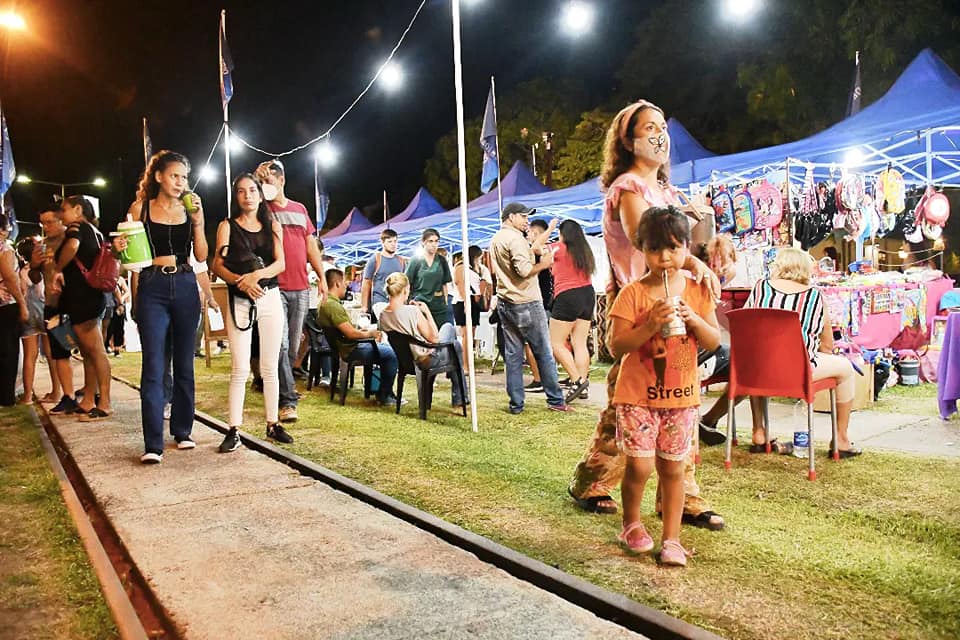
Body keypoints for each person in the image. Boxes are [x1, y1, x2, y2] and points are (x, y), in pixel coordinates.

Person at [567, 100, 724, 532]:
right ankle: (595, 480)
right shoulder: (630, 187)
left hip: (675, 303)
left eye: (662, 126)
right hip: (639, 304)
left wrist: (707, 246)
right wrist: (695, 264)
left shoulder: (667, 192)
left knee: (678, 394)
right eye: (649, 127)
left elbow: (684, 242)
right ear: (628, 139)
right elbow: (648, 242)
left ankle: (680, 495)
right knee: (631, 399)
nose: (660, 135)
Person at [608, 206, 719, 566]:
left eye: (674, 248)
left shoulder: (698, 291)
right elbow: (616, 346)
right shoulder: (632, 293)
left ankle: (672, 539)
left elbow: (715, 340)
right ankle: (632, 524)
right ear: (642, 250)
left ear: (686, 248)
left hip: (682, 396)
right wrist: (650, 325)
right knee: (639, 467)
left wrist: (694, 321)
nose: (665, 257)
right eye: (656, 249)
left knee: (673, 468)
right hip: (637, 395)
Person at [113, 152, 207, 462]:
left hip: (183, 283)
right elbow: (130, 261)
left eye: (184, 176)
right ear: (158, 177)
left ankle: (182, 431)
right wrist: (119, 249)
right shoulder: (140, 209)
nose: (180, 182)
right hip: (152, 284)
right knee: (153, 366)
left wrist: (199, 223)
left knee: (184, 364)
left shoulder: (190, 208)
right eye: (174, 176)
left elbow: (202, 256)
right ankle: (152, 443)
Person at [744, 247, 861, 456]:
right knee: (846, 369)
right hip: (798, 372)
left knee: (760, 356)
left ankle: (759, 431)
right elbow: (827, 347)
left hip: (758, 372)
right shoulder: (815, 297)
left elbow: (747, 327)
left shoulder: (760, 288)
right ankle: (841, 439)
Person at [212, 173, 289, 454]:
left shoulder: (272, 224)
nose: (248, 196)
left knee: (270, 365)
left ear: (260, 193)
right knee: (240, 367)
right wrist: (239, 281)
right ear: (236, 196)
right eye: (242, 191)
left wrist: (255, 276)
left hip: (268, 295)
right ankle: (233, 428)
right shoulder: (227, 226)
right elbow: (217, 264)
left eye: (252, 190)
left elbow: (280, 263)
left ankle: (273, 422)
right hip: (240, 298)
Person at [255, 159, 327, 425]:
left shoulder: (299, 209)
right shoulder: (261, 211)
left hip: (300, 287)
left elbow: (310, 246)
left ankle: (274, 383)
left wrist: (321, 276)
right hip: (275, 288)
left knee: (292, 346)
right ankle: (287, 401)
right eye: (261, 182)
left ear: (282, 180)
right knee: (281, 343)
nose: (266, 186)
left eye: (269, 181)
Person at [489, 202, 570, 414]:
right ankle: (555, 400)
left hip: (506, 301)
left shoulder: (496, 238)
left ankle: (516, 404)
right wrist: (545, 263)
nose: (527, 221)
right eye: (523, 217)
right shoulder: (514, 239)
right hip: (526, 301)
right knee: (543, 352)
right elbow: (524, 270)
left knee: (513, 356)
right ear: (510, 217)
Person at [55, 196, 113, 421]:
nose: (62, 214)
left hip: (84, 297)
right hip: (92, 296)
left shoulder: (77, 228)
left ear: (78, 210)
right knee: (88, 351)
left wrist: (59, 268)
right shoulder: (95, 231)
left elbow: (73, 245)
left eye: (64, 209)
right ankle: (89, 398)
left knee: (95, 350)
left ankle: (104, 402)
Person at [378, 272, 465, 407]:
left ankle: (458, 394)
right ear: (406, 290)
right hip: (425, 360)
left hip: (406, 361)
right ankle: (460, 396)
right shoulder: (412, 311)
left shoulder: (383, 315)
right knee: (450, 331)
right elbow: (435, 339)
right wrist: (426, 311)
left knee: (456, 345)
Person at [317, 267, 400, 406]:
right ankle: (385, 395)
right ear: (337, 284)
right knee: (391, 354)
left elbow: (346, 330)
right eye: (344, 282)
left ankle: (379, 391)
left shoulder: (324, 303)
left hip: (342, 347)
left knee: (384, 348)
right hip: (351, 349)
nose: (346, 285)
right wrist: (370, 333)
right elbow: (351, 334)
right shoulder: (333, 306)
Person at [547, 220, 596, 404]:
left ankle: (576, 381)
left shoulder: (558, 248)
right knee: (579, 343)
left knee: (556, 343)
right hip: (587, 294)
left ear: (563, 234)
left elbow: (536, 248)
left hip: (567, 295)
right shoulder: (584, 251)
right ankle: (583, 383)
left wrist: (550, 228)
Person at [39, 206, 75, 412]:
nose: (46, 227)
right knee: (59, 353)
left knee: (89, 351)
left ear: (61, 220)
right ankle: (67, 395)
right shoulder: (43, 246)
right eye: (43, 223)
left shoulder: (72, 240)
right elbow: (36, 275)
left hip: (74, 304)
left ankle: (92, 393)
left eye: (50, 222)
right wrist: (35, 262)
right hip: (52, 305)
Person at [0, 216, 28, 405]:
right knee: (8, 352)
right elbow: (9, 278)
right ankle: (6, 396)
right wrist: (22, 304)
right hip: (6, 305)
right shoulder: (4, 249)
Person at [16, 236, 47, 404]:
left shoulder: (21, 271)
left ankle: (28, 395)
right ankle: (57, 392)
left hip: (28, 314)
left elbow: (22, 292)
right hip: (45, 313)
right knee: (52, 356)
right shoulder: (44, 270)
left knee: (30, 356)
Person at [405, 228, 452, 329]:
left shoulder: (442, 260)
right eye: (430, 241)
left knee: (441, 336)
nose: (434, 244)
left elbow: (445, 283)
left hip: (439, 306)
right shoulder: (415, 261)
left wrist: (445, 301)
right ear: (423, 243)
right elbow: (407, 283)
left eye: (436, 241)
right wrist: (407, 302)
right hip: (420, 304)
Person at [361, 228, 407, 321]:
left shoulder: (401, 261)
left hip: (397, 303)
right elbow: (366, 283)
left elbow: (404, 283)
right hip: (379, 302)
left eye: (395, 241)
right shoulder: (375, 259)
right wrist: (364, 306)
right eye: (390, 241)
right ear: (383, 242)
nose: (393, 244)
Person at [451, 248, 481, 360]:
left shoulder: (470, 268)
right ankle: (465, 365)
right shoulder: (460, 267)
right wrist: (465, 302)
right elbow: (460, 285)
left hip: (471, 301)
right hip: (464, 301)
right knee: (467, 335)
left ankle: (469, 363)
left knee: (470, 335)